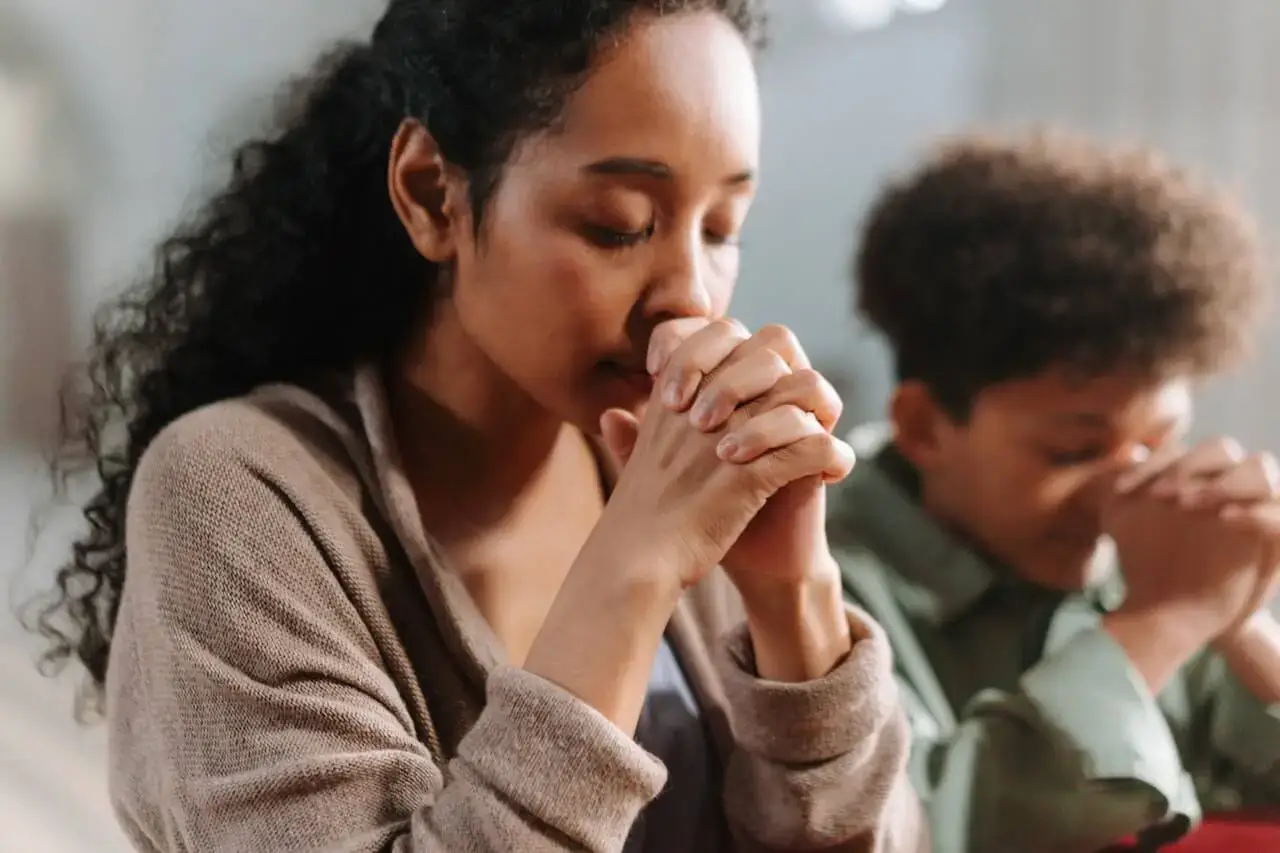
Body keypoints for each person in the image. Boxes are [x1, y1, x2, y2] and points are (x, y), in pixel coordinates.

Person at [27, 2, 925, 852]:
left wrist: (792, 595)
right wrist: (631, 571)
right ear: (431, 194)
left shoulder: (683, 479)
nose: (689, 293)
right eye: (620, 226)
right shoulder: (237, 493)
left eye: (722, 227)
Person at [830, 129, 1280, 853]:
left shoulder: (1147, 559)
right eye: (1075, 450)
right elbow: (914, 827)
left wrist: (1239, 611)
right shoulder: (812, 574)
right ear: (925, 428)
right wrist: (1162, 618)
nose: (1128, 486)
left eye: (1160, 441)